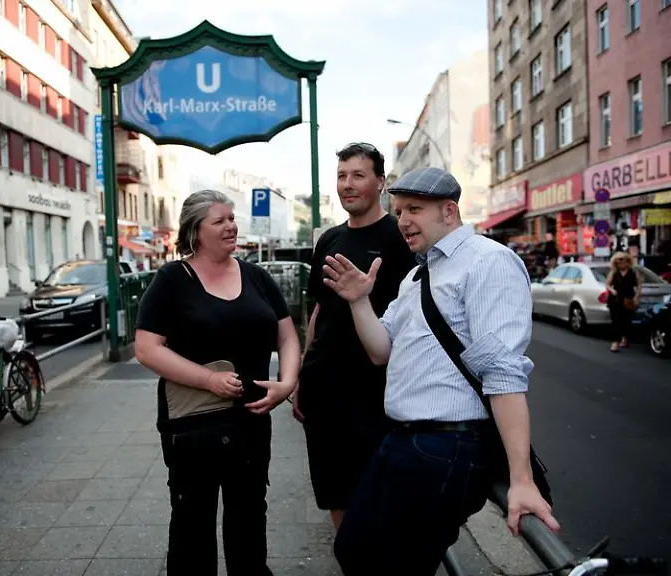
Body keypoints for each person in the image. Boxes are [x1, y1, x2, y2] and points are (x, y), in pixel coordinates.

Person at [323, 167, 559, 576]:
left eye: (415, 208)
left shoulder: (489, 262)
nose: (403, 221)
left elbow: (503, 375)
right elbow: (381, 351)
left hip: (449, 445)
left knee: (393, 565)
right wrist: (359, 302)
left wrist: (521, 479)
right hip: (402, 438)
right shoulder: (418, 275)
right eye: (398, 211)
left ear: (449, 211)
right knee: (352, 547)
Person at [134, 189, 301, 576]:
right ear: (196, 231)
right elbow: (146, 348)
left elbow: (288, 337)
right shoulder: (172, 280)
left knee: (249, 514)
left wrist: (287, 382)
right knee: (193, 517)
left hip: (252, 418)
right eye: (219, 220)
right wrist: (209, 378)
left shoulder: (257, 276)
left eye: (231, 218)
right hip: (193, 423)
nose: (231, 226)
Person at [293, 142, 417, 531]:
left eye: (358, 176)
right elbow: (319, 311)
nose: (348, 185)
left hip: (377, 391)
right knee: (336, 493)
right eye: (342, 176)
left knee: (381, 494)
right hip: (323, 389)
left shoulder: (401, 238)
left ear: (381, 182)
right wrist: (301, 376)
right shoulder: (329, 240)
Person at [605, 251, 641, 352]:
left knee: (627, 320)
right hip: (616, 299)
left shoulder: (633, 272)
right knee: (616, 321)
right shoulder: (614, 272)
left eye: (622, 261)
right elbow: (607, 284)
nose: (620, 264)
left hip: (628, 298)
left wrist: (636, 297)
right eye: (618, 262)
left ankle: (625, 338)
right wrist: (612, 290)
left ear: (627, 261)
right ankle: (615, 342)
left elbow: (639, 285)